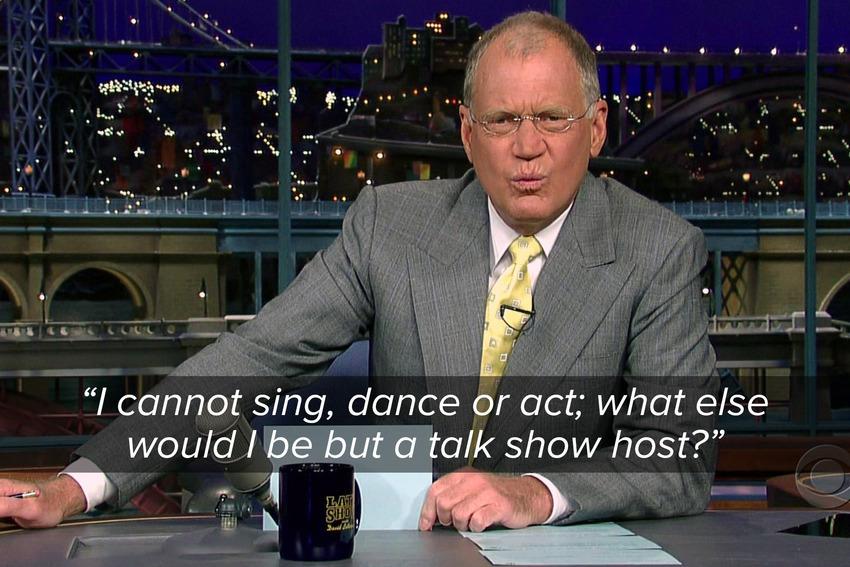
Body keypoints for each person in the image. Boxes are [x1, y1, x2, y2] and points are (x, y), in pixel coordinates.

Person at [0, 11, 717, 532]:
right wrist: (73, 487)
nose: (528, 147)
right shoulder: (389, 227)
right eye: (502, 121)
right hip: (405, 546)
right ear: (469, 135)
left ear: (595, 128)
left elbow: (677, 460)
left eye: (552, 118)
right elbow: (246, 359)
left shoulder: (659, 250)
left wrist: (534, 491)